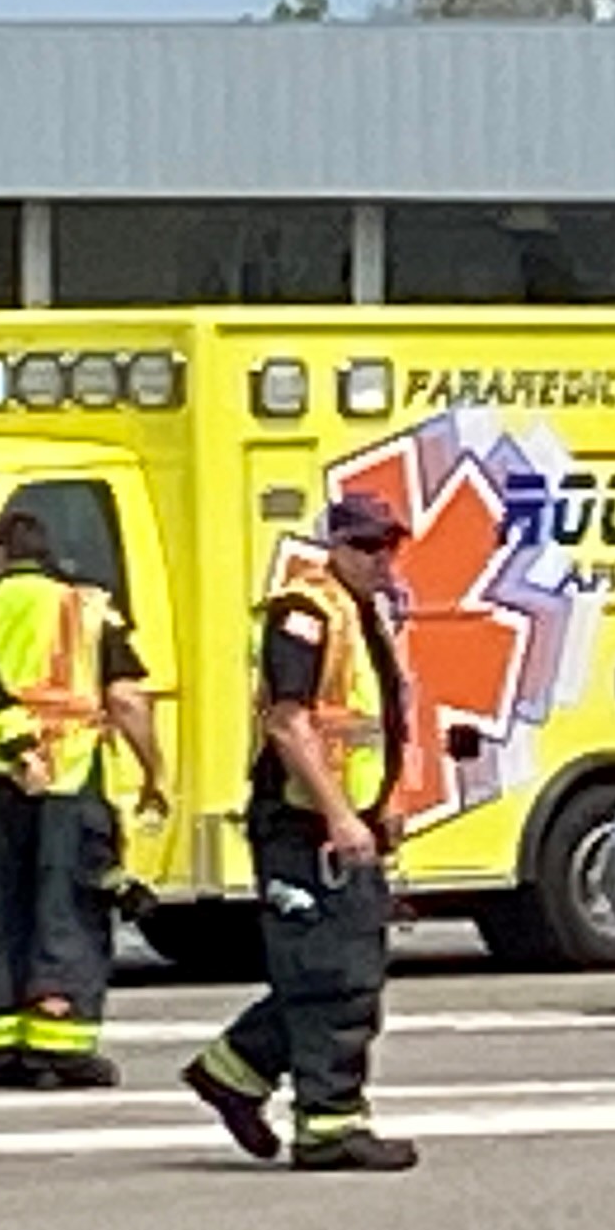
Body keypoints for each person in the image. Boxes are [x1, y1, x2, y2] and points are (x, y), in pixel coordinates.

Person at [188, 494, 418, 1170]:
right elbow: (288, 722)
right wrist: (342, 815)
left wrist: (384, 806)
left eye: (388, 546)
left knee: (351, 971)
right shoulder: (303, 614)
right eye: (368, 547)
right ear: (337, 547)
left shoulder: (363, 612)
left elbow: (379, 723)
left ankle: (233, 1073)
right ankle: (328, 1126)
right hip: (303, 826)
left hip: (346, 824)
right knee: (330, 979)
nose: (381, 559)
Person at [0, 511, 169, 1090]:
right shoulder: (88, 610)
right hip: (69, 782)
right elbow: (125, 699)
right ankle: (59, 1046)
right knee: (67, 908)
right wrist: (156, 772)